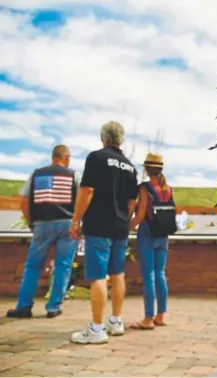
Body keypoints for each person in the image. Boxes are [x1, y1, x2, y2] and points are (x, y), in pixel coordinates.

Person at [69, 121, 138, 344]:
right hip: (120, 226)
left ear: (104, 138)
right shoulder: (130, 166)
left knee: (98, 275)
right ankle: (116, 322)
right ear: (121, 139)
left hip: (99, 225)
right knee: (117, 273)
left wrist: (76, 220)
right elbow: (132, 201)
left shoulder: (96, 158)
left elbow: (87, 189)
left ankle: (96, 329)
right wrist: (123, 220)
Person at [6, 145, 79, 319]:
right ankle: (53, 307)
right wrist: (77, 223)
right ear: (66, 158)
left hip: (42, 225)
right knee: (63, 266)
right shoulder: (73, 175)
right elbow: (80, 201)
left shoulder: (37, 174)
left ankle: (24, 307)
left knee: (33, 265)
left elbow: (24, 201)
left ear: (53, 157)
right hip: (67, 223)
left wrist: (31, 222)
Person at [129, 152, 177, 330]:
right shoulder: (168, 188)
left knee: (148, 275)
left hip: (148, 233)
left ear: (147, 169)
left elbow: (141, 214)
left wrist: (130, 225)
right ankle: (160, 315)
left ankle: (148, 319)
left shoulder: (145, 188)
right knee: (160, 274)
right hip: (163, 235)